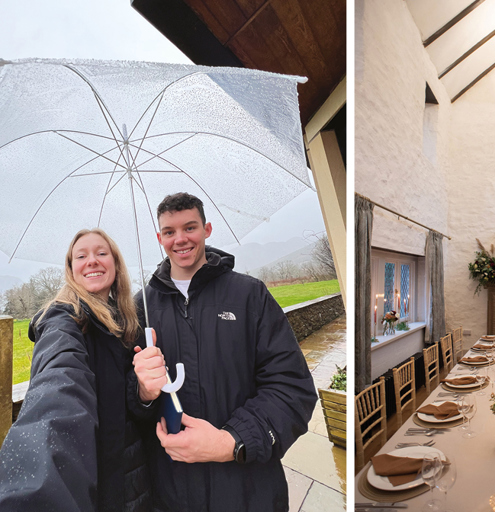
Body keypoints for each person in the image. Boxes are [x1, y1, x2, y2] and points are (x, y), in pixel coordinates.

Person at [132, 192, 317, 512]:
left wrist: (231, 441)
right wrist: (142, 392)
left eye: (189, 227)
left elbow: (292, 389)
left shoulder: (249, 296)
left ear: (207, 229)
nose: (180, 239)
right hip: (173, 495)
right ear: (159, 237)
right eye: (169, 232)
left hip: (250, 493)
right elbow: (125, 411)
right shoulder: (141, 308)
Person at [0, 229, 152, 512]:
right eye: (81, 256)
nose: (92, 260)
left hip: (134, 484)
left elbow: (129, 407)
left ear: (116, 265)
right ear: (71, 270)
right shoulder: (63, 320)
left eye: (101, 253)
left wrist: (145, 393)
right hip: (97, 491)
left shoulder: (128, 323)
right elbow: (58, 389)